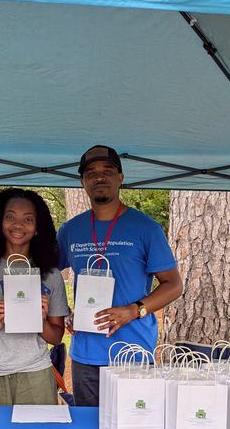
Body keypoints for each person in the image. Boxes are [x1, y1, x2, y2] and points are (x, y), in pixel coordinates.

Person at [57, 145, 182, 406]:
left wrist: (133, 310)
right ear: (83, 182)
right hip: (86, 354)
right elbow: (48, 274)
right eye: (91, 173)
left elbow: (173, 285)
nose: (99, 177)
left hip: (131, 354)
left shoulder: (146, 229)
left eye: (107, 171)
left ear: (120, 178)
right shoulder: (71, 230)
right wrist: (63, 310)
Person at [0, 188, 69, 405]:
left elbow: (56, 337)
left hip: (36, 374)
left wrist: (40, 322)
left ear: (38, 227)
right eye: (10, 217)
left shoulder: (51, 275)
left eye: (28, 219)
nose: (18, 225)